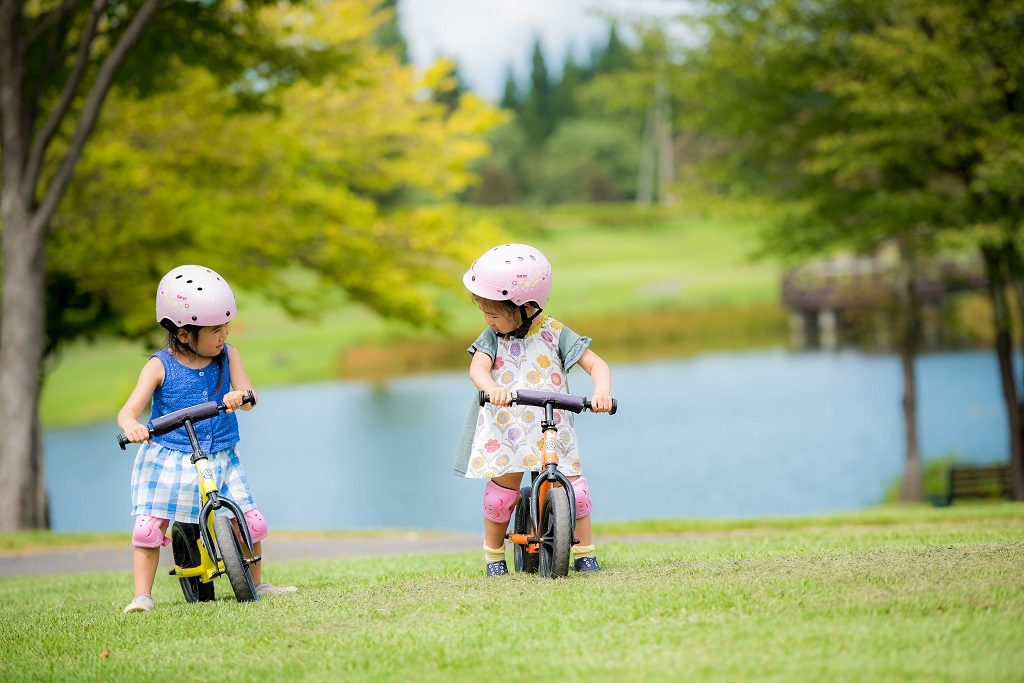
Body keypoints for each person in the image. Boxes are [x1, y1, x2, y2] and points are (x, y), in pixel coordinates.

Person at [117, 264, 296, 612]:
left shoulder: (229, 356)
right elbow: (128, 411)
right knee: (147, 528)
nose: (224, 335)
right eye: (215, 330)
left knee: (251, 523)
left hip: (220, 455)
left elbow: (250, 395)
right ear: (184, 334)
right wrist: (132, 427)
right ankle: (142, 596)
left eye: (226, 326)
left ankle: (258, 582)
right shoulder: (158, 366)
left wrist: (240, 397)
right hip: (169, 454)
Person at [457, 243, 613, 576]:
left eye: (494, 313)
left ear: (526, 306)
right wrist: (492, 388)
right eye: (485, 312)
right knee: (500, 499)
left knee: (577, 492)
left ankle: (585, 552)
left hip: (552, 426)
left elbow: (596, 364)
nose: (488, 319)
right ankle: (494, 556)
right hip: (508, 427)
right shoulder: (492, 338)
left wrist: (601, 392)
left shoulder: (556, 333)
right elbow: (477, 370)